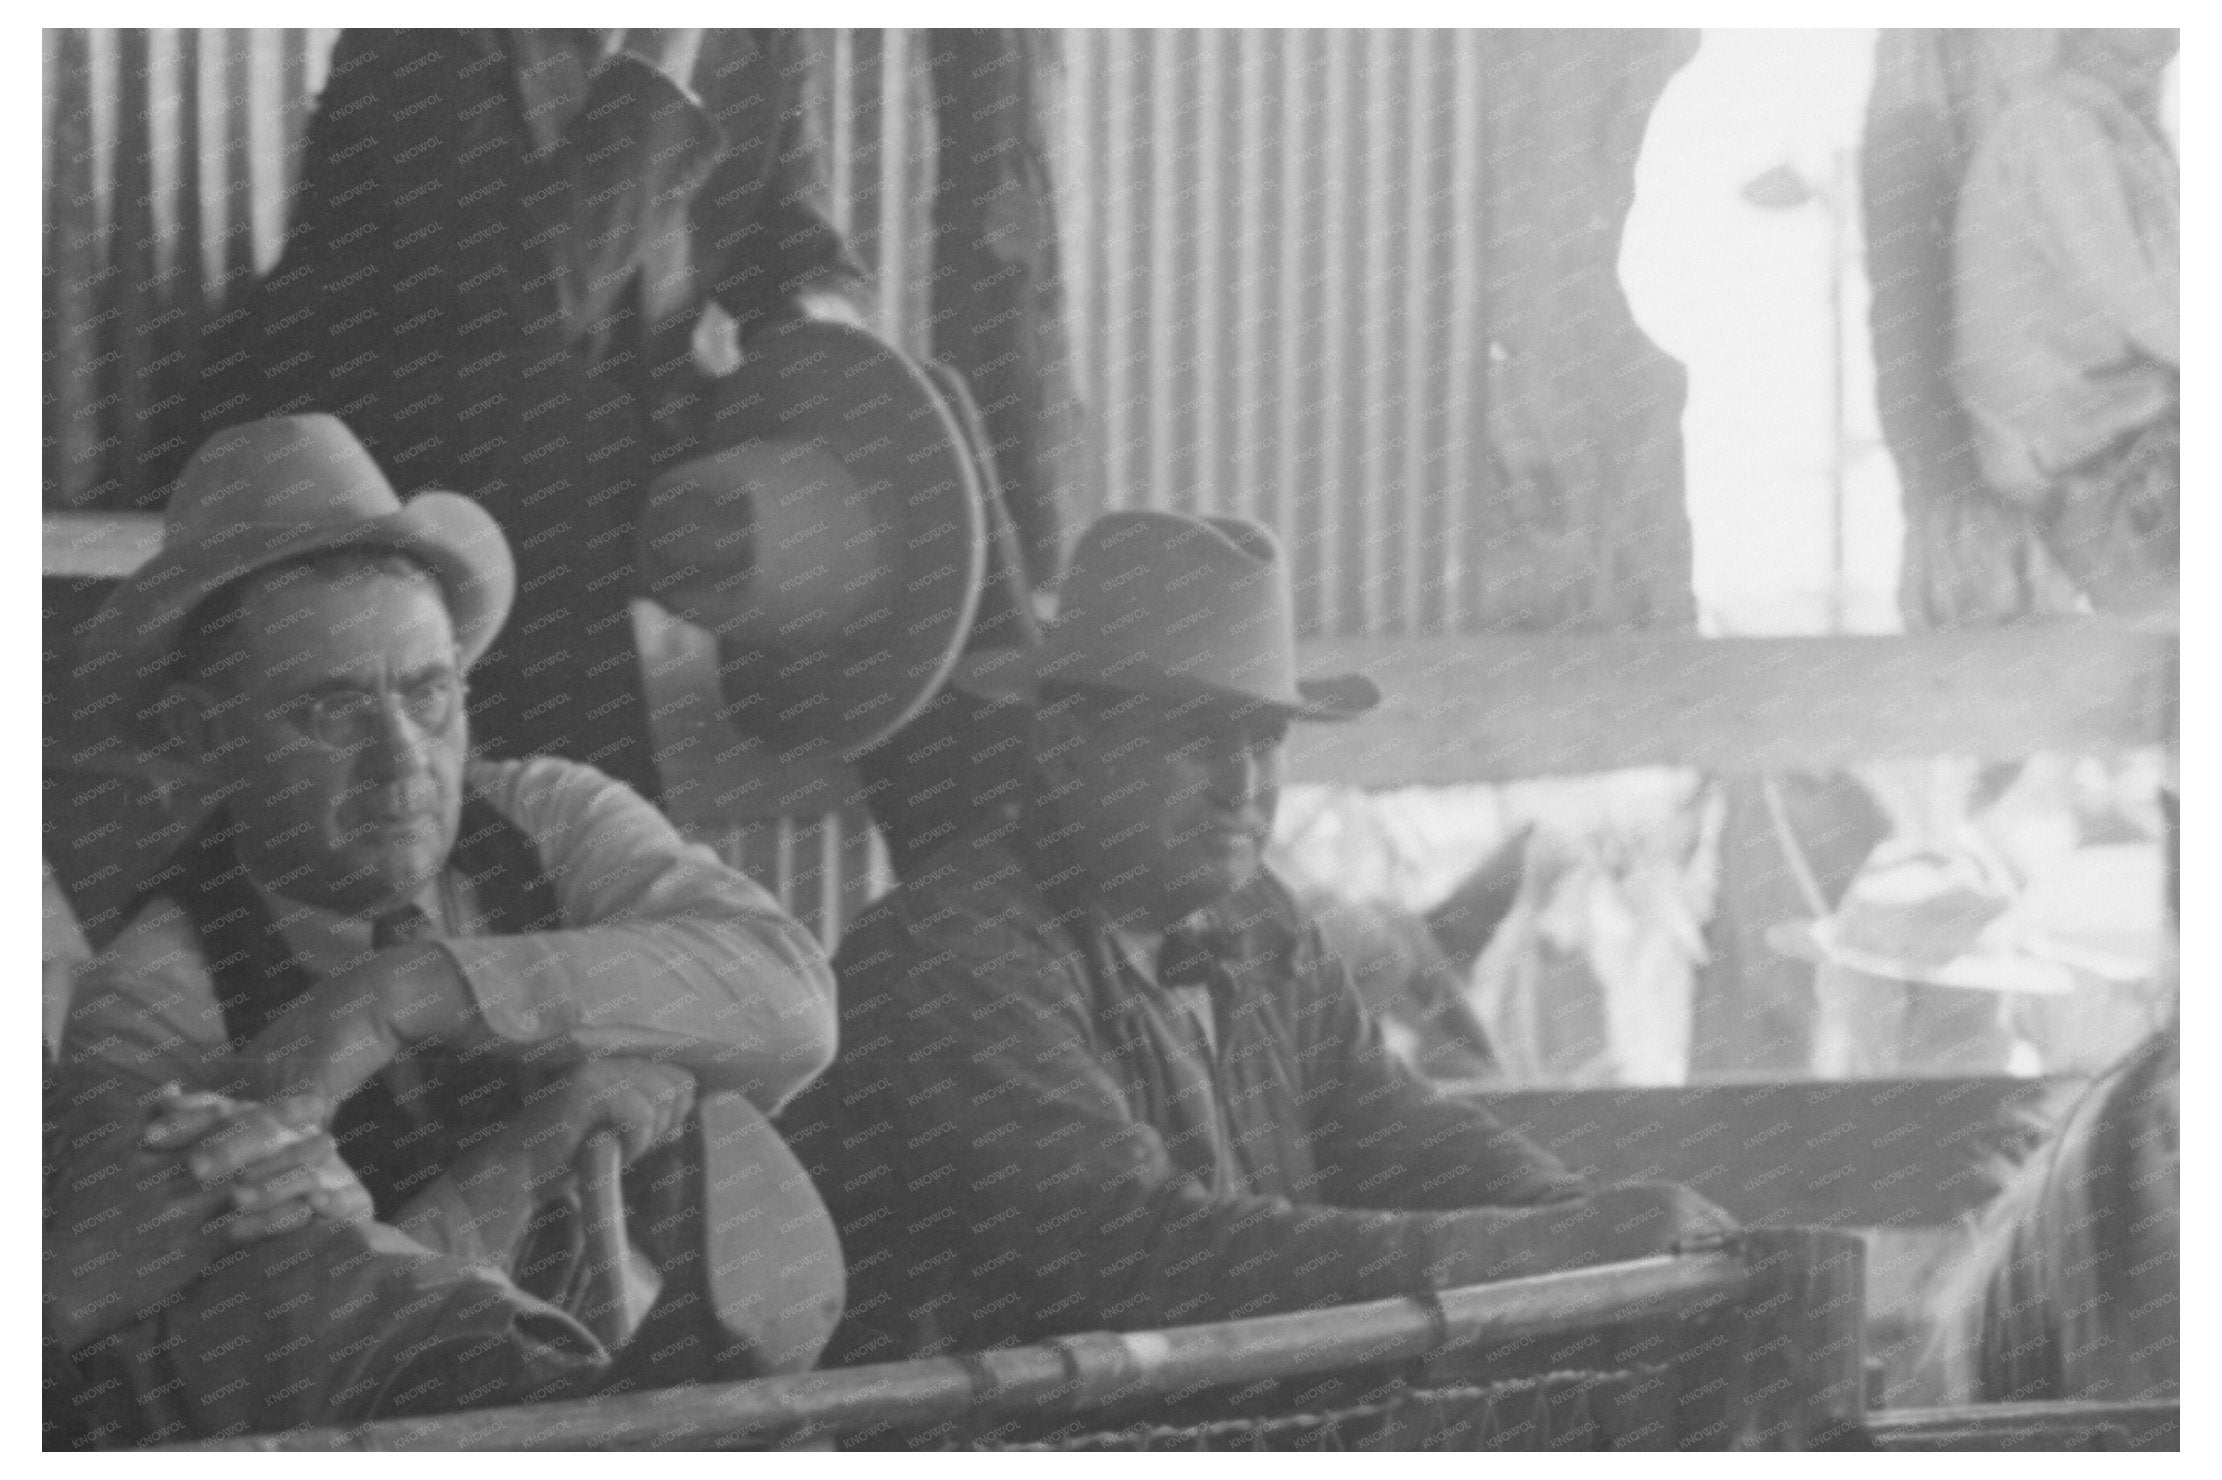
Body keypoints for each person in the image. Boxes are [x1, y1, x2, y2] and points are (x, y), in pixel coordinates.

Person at [46, 415, 841, 1443]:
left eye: (428, 696)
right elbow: (273, 1354)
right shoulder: (156, 998)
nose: (404, 762)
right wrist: (535, 1149)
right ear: (208, 735)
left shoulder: (548, 817)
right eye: (334, 712)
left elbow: (793, 1001)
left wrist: (405, 993)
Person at [781, 511, 1735, 1364]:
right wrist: (1534, 1250)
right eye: (1193, 737)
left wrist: (1569, 1213)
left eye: (1264, 738)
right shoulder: (955, 958)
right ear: (1067, 748)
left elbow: (1384, 1123)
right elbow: (1130, 1254)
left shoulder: (1255, 920)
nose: (1241, 786)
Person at [170, 29, 867, 802]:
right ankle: (584, 842)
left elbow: (799, 258)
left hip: (589, 432)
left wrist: (841, 361)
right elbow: (524, 294)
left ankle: (958, 846)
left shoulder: (753, 37)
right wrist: (657, 57)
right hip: (364, 423)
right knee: (552, 422)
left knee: (916, 435)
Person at [1952, 28, 2179, 615]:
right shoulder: (2053, 129)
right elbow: (2178, 317)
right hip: (2109, 490)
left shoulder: (2102, 129)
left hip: (2133, 469)